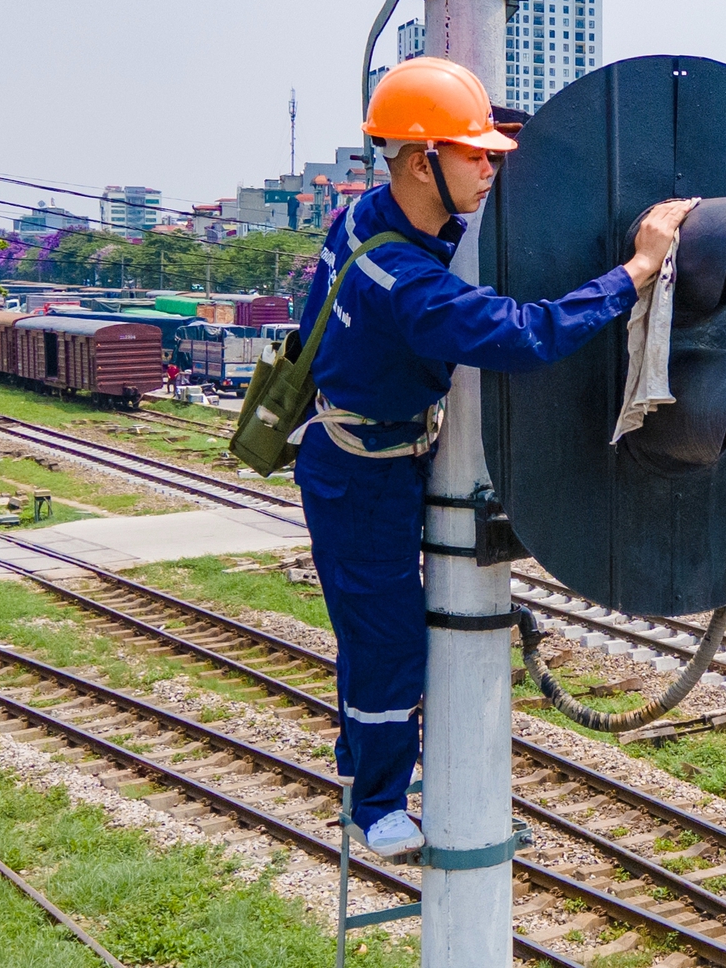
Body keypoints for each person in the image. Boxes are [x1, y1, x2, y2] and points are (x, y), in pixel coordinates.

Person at [294, 56, 693, 857]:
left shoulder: (377, 215)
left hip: (380, 452)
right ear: (419, 162)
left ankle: (377, 765)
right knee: (388, 642)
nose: (490, 167)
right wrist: (638, 271)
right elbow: (523, 334)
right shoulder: (403, 283)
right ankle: (374, 802)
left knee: (392, 635)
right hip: (359, 476)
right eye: (474, 155)